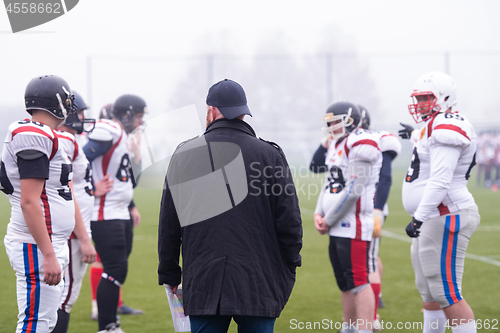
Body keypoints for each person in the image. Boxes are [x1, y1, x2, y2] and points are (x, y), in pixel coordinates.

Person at [158, 78, 303, 333]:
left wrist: (169, 273)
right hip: (259, 281)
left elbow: (169, 223)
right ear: (243, 112)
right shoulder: (269, 155)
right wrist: (290, 262)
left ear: (211, 110)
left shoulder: (184, 155)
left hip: (204, 281)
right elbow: (290, 221)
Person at [402, 71, 479, 333]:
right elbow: (427, 141)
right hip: (435, 215)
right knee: (429, 290)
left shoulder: (446, 126)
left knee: (446, 291)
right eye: (419, 98)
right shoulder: (433, 125)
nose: (421, 103)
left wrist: (419, 217)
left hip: (446, 212)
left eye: (427, 98)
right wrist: (414, 132)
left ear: (445, 98)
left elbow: (440, 179)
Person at [1, 75, 78, 333]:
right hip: (36, 244)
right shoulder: (32, 133)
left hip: (45, 242)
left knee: (45, 321)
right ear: (57, 102)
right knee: (35, 325)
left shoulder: (46, 134)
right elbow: (29, 201)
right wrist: (48, 254)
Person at [311, 101, 382, 333]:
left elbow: (354, 190)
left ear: (349, 121)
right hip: (337, 224)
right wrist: (318, 212)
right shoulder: (337, 144)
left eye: (334, 121)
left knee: (359, 282)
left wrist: (328, 219)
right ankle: (349, 328)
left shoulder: (361, 142)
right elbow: (329, 183)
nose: (330, 126)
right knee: (345, 283)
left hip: (353, 224)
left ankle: (364, 329)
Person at [83, 94, 146, 333]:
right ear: (126, 114)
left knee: (118, 268)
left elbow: (129, 180)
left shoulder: (123, 136)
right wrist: (90, 188)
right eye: (138, 116)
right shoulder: (110, 128)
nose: (141, 122)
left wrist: (131, 204)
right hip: (104, 212)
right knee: (114, 268)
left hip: (120, 211)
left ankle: (111, 323)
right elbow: (77, 159)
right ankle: (106, 325)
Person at [52, 91, 97, 333]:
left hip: (71, 226)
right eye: (80, 112)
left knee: (62, 294)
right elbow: (67, 190)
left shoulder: (65, 139)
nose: (83, 117)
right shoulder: (65, 139)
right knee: (64, 296)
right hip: (72, 230)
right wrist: (84, 238)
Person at [358, 105, 401, 329]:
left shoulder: (378, 140)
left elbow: (385, 178)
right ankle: (378, 296)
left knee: (369, 261)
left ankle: (373, 317)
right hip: (361, 209)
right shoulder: (351, 141)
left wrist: (376, 209)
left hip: (370, 209)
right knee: (371, 257)